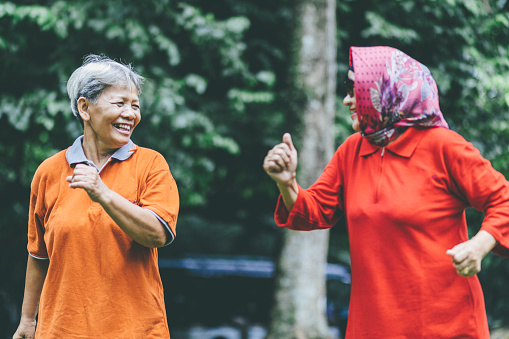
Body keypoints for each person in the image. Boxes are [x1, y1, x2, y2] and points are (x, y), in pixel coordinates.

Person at [263, 46, 509, 338]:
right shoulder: (351, 151)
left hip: (446, 326)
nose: (346, 100)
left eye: (355, 90)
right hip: (373, 327)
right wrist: (287, 183)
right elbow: (313, 211)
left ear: (386, 91)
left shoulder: (444, 146)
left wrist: (478, 245)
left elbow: (503, 200)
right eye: (347, 88)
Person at [13, 55, 179, 338]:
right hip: (61, 331)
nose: (131, 114)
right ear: (84, 108)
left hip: (136, 331)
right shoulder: (49, 172)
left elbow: (157, 235)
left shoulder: (151, 164)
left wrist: (102, 193)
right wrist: (28, 321)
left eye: (135, 105)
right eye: (120, 103)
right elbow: (38, 255)